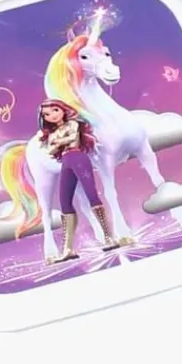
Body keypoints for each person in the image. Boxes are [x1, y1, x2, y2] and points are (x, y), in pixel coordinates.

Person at [37, 100, 117, 260]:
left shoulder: (72, 123)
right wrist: (61, 141)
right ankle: (68, 249)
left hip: (78, 157)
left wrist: (58, 141)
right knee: (64, 202)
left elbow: (73, 137)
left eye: (55, 110)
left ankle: (109, 237)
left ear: (63, 110)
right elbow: (50, 149)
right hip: (66, 162)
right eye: (47, 114)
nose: (52, 115)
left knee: (91, 195)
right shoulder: (53, 133)